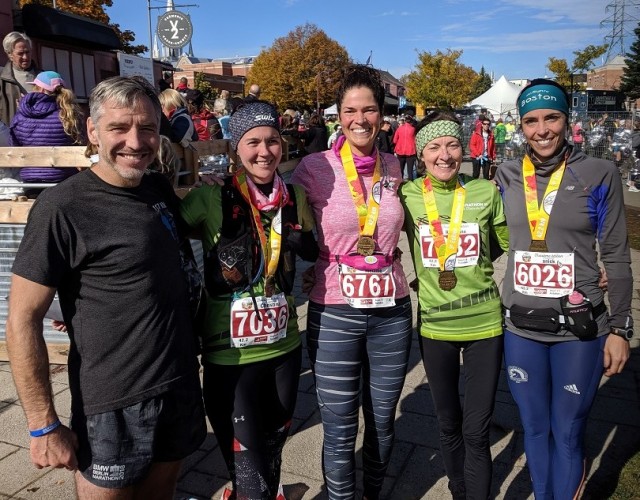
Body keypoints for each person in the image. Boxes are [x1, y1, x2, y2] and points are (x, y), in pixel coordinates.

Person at [5, 75, 206, 499]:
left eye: (147, 128)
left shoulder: (155, 187)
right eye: (119, 128)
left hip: (179, 381)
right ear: (93, 131)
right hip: (113, 401)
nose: (136, 141)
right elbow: (22, 318)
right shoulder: (61, 208)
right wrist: (43, 424)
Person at [494, 78, 633, 499]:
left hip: (580, 329)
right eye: (531, 121)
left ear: (567, 119)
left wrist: (621, 329)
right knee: (535, 429)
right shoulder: (506, 174)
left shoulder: (600, 173)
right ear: (521, 126)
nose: (542, 130)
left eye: (551, 117)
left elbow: (618, 255)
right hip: (521, 327)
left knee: (568, 432)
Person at [180, 100, 318, 500]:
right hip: (230, 357)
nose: (264, 151)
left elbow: (310, 248)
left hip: (284, 346)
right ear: (235, 149)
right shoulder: (209, 199)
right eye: (253, 141)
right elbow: (161, 235)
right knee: (248, 468)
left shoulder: (294, 196)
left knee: (273, 450)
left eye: (272, 141)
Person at [291, 64, 412, 500]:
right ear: (337, 116)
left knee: (382, 422)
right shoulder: (312, 168)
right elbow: (275, 218)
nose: (359, 119)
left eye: (369, 110)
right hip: (335, 310)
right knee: (340, 429)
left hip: (391, 313)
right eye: (349, 110)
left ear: (382, 115)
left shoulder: (396, 168)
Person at [399, 111, 509, 500]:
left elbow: (508, 244)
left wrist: (581, 265)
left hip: (484, 326)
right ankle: (459, 487)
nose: (444, 155)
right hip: (435, 327)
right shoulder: (407, 195)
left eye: (452, 145)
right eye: (434, 147)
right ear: (421, 154)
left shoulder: (485, 192)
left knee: (476, 431)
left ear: (463, 150)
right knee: (448, 424)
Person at [10, 71, 84, 187]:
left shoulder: (22, 115)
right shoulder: (69, 115)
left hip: (30, 180)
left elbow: (14, 145)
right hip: (63, 179)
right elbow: (79, 143)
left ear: (40, 89)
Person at [1, 31, 39, 126]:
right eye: (20, 53)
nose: (25, 57)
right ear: (10, 54)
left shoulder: (42, 77)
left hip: (38, 135)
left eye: (27, 52)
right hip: (10, 135)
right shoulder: (2, 78)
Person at [393, 115, 417, 180]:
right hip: (411, 151)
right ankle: (411, 183)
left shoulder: (399, 129)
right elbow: (416, 140)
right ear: (411, 122)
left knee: (400, 169)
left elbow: (394, 140)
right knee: (410, 170)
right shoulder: (413, 129)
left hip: (400, 150)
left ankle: (400, 183)